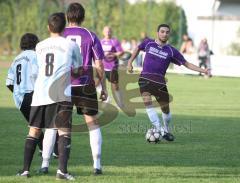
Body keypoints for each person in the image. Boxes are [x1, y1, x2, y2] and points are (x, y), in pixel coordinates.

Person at [17, 12, 82, 180]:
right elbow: (78, 69)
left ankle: (25, 170)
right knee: (64, 132)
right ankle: (62, 172)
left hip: (40, 94)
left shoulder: (39, 46)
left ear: (48, 27)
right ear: (64, 28)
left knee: (34, 130)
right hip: (61, 94)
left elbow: (35, 71)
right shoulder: (70, 45)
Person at [128, 24, 209, 141]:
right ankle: (161, 130)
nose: (164, 34)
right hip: (145, 79)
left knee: (165, 109)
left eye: (167, 32)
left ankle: (166, 129)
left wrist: (203, 70)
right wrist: (130, 61)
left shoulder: (171, 51)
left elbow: (186, 64)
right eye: (162, 31)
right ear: (158, 33)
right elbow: (138, 48)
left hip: (160, 83)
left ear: (169, 34)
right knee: (148, 103)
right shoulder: (148, 43)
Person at [6, 33, 44, 155]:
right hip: (32, 94)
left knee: (35, 125)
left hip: (20, 99)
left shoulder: (16, 58)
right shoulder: (35, 56)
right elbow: (36, 74)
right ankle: (52, 151)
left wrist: (18, 93)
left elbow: (9, 82)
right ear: (36, 43)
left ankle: (44, 149)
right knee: (48, 123)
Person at [100, 26, 124, 108]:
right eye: (106, 31)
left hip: (113, 67)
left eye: (109, 31)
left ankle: (120, 103)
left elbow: (121, 52)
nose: (108, 32)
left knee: (115, 86)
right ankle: (106, 99)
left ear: (111, 32)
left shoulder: (115, 41)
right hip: (103, 66)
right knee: (100, 83)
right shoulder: (101, 42)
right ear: (103, 32)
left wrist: (112, 54)